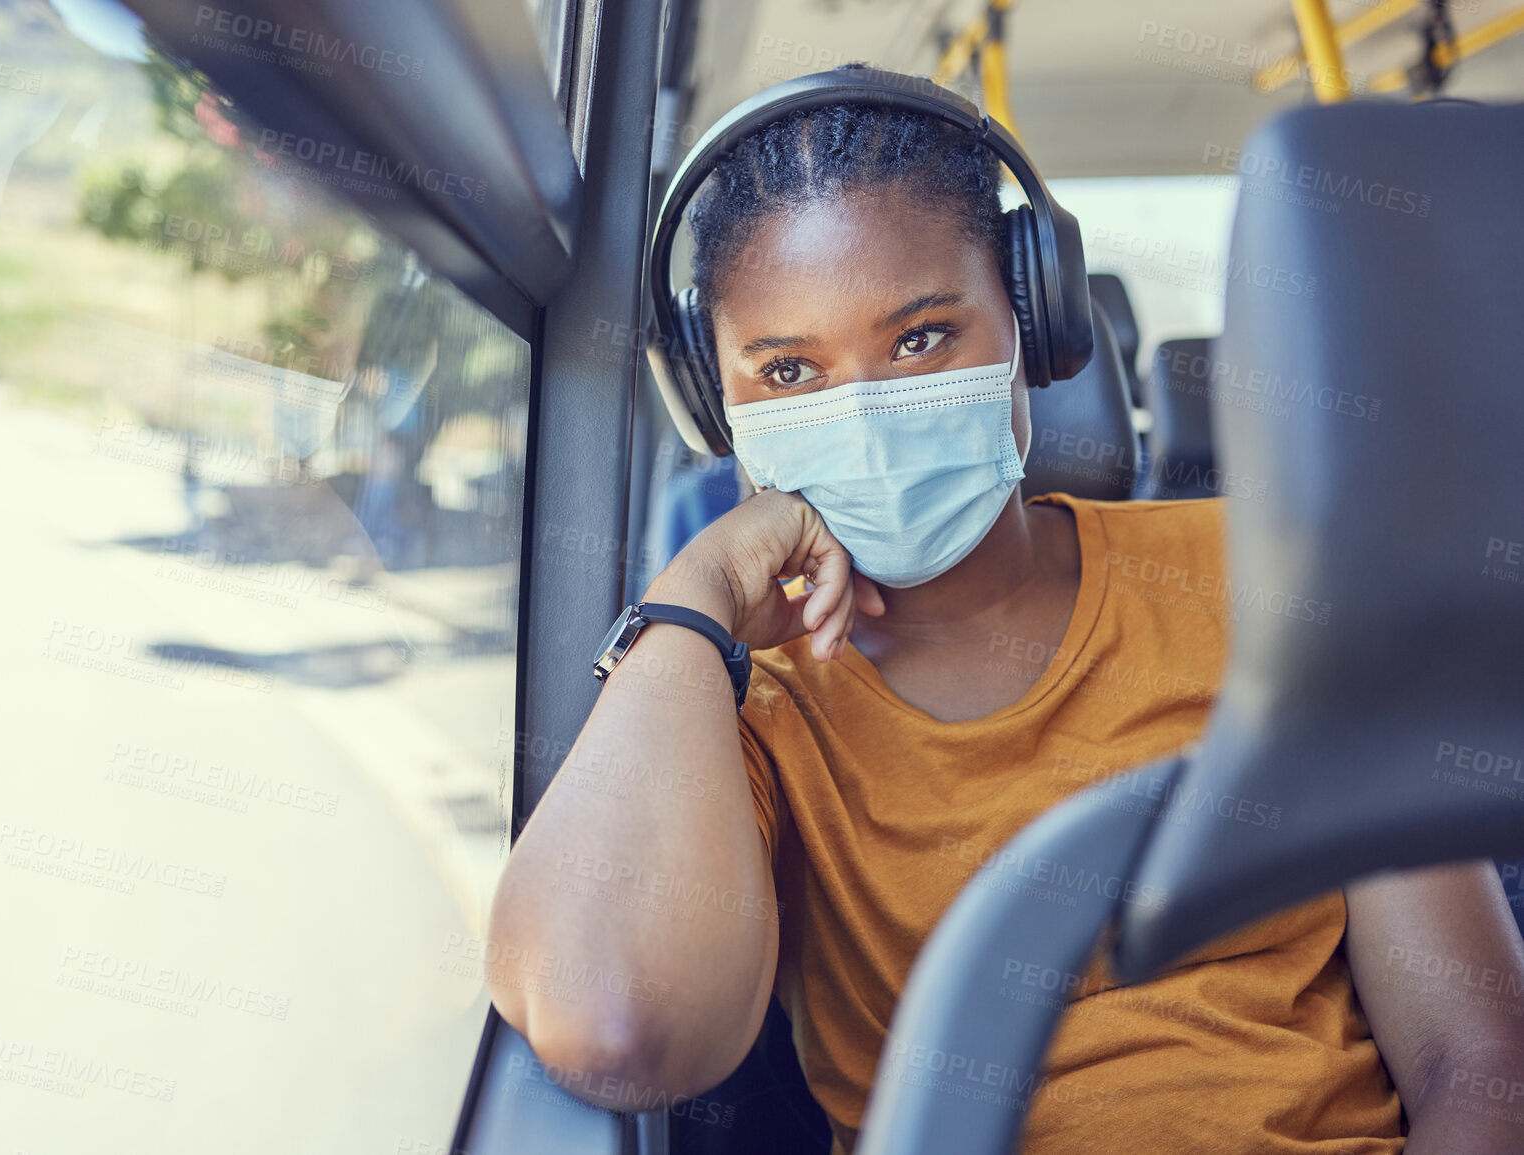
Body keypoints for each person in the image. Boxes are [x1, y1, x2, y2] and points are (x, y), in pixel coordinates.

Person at [485, 87, 1524, 1154]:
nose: (866, 415)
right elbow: (614, 1032)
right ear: (717, 405)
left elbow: (1478, 1061)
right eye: (788, 371)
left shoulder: (1267, 575)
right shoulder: (742, 711)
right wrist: (693, 602)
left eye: (924, 337)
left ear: (1036, 323)